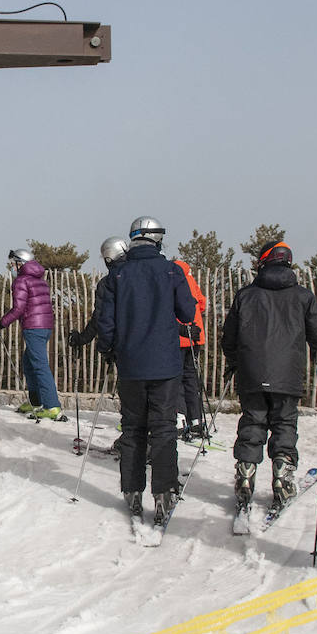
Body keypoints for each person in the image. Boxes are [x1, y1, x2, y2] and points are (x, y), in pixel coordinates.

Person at [95, 216, 198, 526]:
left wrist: (108, 350)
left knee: (134, 428)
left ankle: (132, 490)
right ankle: (164, 491)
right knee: (164, 427)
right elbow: (188, 311)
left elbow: (105, 322)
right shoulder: (171, 270)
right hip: (166, 364)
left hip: (131, 365)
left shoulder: (117, 275)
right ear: (157, 240)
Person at [221, 241, 317, 518]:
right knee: (284, 423)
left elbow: (229, 337)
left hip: (252, 372)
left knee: (253, 421)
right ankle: (282, 475)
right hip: (287, 374)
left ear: (263, 262)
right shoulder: (303, 296)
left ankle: (246, 471)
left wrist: (235, 361)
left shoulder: (246, 295)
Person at [0, 247, 63, 420]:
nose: (12, 268)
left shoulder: (21, 281)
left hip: (33, 327)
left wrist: (1, 323)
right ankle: (36, 402)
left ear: (20, 263)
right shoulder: (40, 280)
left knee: (39, 366)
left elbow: (18, 309)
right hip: (45, 326)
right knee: (29, 363)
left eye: (13, 264)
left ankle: (52, 406)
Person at [67, 236, 130, 349]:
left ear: (108, 258)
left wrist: (84, 339)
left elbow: (100, 316)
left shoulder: (107, 283)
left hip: (122, 341)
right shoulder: (142, 275)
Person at [172, 259, 208, 441]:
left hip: (179, 338)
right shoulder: (190, 279)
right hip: (195, 338)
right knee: (192, 379)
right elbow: (202, 303)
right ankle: (196, 420)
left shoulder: (172, 280)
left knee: (176, 380)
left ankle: (179, 418)